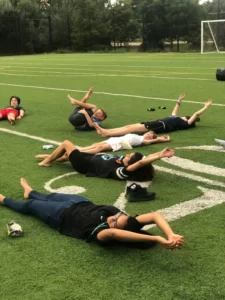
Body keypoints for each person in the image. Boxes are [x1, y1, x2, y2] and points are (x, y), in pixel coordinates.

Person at [0, 178, 184, 249]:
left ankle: (3, 199)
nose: (117, 216)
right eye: (121, 215)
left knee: (31, 206)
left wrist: (157, 240)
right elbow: (155, 215)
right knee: (50, 196)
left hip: (61, 216)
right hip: (81, 202)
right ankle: (30, 191)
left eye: (117, 221)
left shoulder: (103, 234)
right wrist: (169, 234)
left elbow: (113, 233)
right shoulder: (128, 221)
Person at [36, 140, 175, 182]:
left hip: (85, 165)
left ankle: (47, 160)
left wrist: (159, 157)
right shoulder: (124, 162)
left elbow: (140, 163)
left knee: (67, 144)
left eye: (129, 156)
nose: (126, 155)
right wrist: (160, 153)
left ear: (131, 164)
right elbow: (145, 159)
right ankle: (51, 158)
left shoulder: (121, 172)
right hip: (90, 158)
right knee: (66, 156)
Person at [93, 94, 212, 137]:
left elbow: (195, 114)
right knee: (129, 126)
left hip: (158, 127)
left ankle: (107, 133)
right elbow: (175, 110)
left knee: (130, 129)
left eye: (188, 117)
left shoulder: (185, 124)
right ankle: (106, 131)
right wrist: (179, 100)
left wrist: (205, 107)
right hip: (156, 123)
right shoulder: (175, 118)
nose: (186, 116)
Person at [76, 130, 170, 154]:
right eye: (148, 133)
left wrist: (163, 138)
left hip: (122, 143)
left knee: (100, 148)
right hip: (118, 139)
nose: (148, 135)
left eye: (150, 136)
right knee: (97, 144)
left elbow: (157, 140)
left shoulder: (144, 141)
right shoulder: (140, 136)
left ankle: (81, 153)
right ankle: (80, 149)